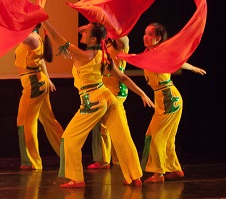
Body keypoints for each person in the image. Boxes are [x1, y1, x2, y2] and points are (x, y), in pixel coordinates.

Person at [44, 21, 150, 189]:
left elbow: (57, 37)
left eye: (85, 33)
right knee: (123, 138)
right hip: (107, 96)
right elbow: (122, 77)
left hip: (93, 99)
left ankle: (77, 178)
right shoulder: (103, 55)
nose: (82, 34)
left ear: (93, 39)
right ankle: (134, 176)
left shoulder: (83, 55)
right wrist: (142, 93)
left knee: (69, 139)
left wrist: (43, 19)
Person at [134, 22, 205, 182]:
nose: (146, 37)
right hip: (166, 99)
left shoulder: (159, 53)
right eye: (145, 33)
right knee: (167, 137)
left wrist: (192, 67)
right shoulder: (149, 52)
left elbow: (177, 61)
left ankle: (158, 173)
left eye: (150, 34)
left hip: (168, 99)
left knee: (154, 136)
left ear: (158, 38)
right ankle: (174, 168)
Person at [15, 25, 63, 171]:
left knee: (25, 122)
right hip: (38, 82)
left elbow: (15, 35)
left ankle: (32, 161)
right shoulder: (35, 38)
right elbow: (41, 61)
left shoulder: (33, 38)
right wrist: (48, 79)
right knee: (49, 120)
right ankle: (68, 154)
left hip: (33, 84)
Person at [88, 36, 130, 170]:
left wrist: (115, 26)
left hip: (116, 90)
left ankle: (114, 159)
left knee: (114, 125)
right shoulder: (106, 44)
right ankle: (109, 159)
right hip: (105, 89)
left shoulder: (120, 45)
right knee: (105, 125)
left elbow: (124, 39)